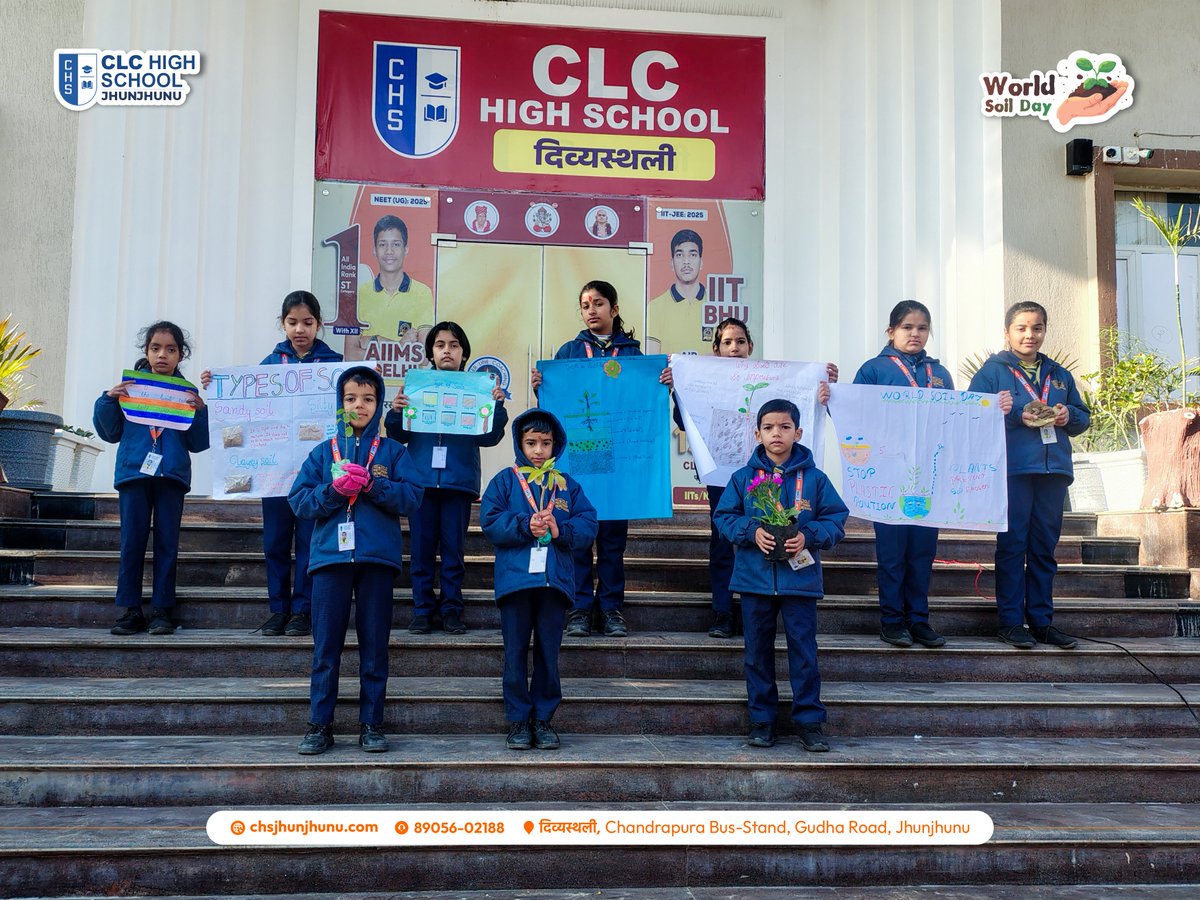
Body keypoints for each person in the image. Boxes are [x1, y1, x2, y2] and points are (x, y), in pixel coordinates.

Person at [853, 300, 1012, 649]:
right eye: (907, 327)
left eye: (922, 328)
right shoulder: (873, 370)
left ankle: (919, 620)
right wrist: (829, 398)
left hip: (930, 476)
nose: (915, 334)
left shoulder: (939, 374)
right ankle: (892, 621)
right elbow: (853, 415)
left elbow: (957, 418)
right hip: (888, 477)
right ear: (891, 331)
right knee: (892, 553)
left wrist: (992, 409)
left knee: (922, 553)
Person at [289, 366, 424, 754]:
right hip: (330, 561)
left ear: (379, 405)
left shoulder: (394, 452)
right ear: (340, 403)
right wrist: (333, 491)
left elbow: (412, 497)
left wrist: (374, 485)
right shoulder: (323, 452)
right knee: (325, 649)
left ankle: (371, 724)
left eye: (367, 399)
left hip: (377, 561)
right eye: (350, 398)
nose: (359, 406)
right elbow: (299, 501)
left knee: (375, 647)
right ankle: (320, 725)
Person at [529, 280, 672, 638]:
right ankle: (579, 608)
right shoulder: (569, 352)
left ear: (614, 309)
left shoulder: (633, 355)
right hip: (581, 460)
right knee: (577, 538)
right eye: (585, 305)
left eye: (599, 303)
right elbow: (557, 404)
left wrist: (662, 383)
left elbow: (642, 400)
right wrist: (542, 386)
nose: (591, 310)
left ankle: (610, 608)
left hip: (619, 463)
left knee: (612, 543)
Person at [200, 291, 343, 637]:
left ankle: (302, 611)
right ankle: (278, 609)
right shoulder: (267, 366)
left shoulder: (335, 365)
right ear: (282, 324)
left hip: (315, 478)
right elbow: (245, 407)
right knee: (275, 543)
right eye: (292, 322)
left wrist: (368, 377)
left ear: (319, 325)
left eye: (307, 322)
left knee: (309, 543)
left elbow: (352, 404)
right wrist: (216, 387)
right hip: (274, 476)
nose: (300, 330)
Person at [714, 399, 848, 752]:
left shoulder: (815, 480)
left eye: (785, 427)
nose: (777, 433)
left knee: (804, 653)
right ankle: (762, 721)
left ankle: (809, 722)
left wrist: (809, 536)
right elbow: (723, 517)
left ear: (798, 433)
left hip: (800, 582)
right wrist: (751, 531)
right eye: (769, 427)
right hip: (754, 581)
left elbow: (836, 519)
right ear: (757, 434)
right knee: (756, 653)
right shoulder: (743, 479)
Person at [969, 301, 1090, 650]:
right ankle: (1010, 622)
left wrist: (1068, 416)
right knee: (1012, 546)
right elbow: (972, 414)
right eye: (1021, 328)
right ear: (1007, 332)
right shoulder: (992, 373)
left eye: (1037, 328)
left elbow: (1083, 417)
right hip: (1013, 472)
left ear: (1044, 331)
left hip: (1054, 472)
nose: (1029, 335)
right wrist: (1012, 414)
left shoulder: (1059, 374)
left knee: (1044, 549)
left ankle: (1041, 622)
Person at [479, 409, 598, 750]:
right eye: (531, 443)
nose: (538, 450)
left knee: (548, 654)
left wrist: (562, 531)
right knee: (515, 653)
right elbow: (490, 520)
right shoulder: (505, 481)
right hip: (515, 584)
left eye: (546, 443)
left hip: (554, 585)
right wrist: (523, 524)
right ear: (519, 444)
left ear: (556, 445)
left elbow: (588, 523)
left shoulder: (566, 485)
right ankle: (518, 721)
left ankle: (543, 720)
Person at [384, 321, 509, 634]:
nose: (447, 351)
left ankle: (452, 610)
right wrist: (396, 411)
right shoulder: (416, 387)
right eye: (440, 345)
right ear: (431, 353)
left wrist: (496, 408)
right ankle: (422, 611)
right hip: (421, 483)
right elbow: (398, 436)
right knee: (421, 551)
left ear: (464, 353)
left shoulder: (478, 390)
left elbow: (489, 438)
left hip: (458, 483)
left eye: (454, 345)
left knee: (454, 551)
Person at [93, 321, 209, 636]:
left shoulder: (187, 393)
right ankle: (130, 610)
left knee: (167, 544)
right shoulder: (129, 389)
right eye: (156, 348)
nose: (162, 355)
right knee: (132, 542)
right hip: (134, 474)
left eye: (170, 349)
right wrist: (108, 399)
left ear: (181, 354)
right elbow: (110, 432)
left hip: (171, 477)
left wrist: (200, 412)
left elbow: (198, 443)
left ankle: (161, 610)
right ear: (146, 351)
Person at [354, 215, 434, 352]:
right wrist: (400, 345)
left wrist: (371, 341)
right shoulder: (359, 294)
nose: (389, 251)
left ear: (406, 249)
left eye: (396, 244)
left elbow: (422, 356)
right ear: (374, 250)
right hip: (376, 369)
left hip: (399, 370)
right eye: (382, 244)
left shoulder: (422, 293)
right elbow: (351, 354)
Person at [647, 228, 708, 354]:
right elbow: (652, 357)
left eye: (692, 255)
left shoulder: (715, 304)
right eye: (680, 255)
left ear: (701, 262)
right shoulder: (655, 307)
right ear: (672, 263)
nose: (686, 261)